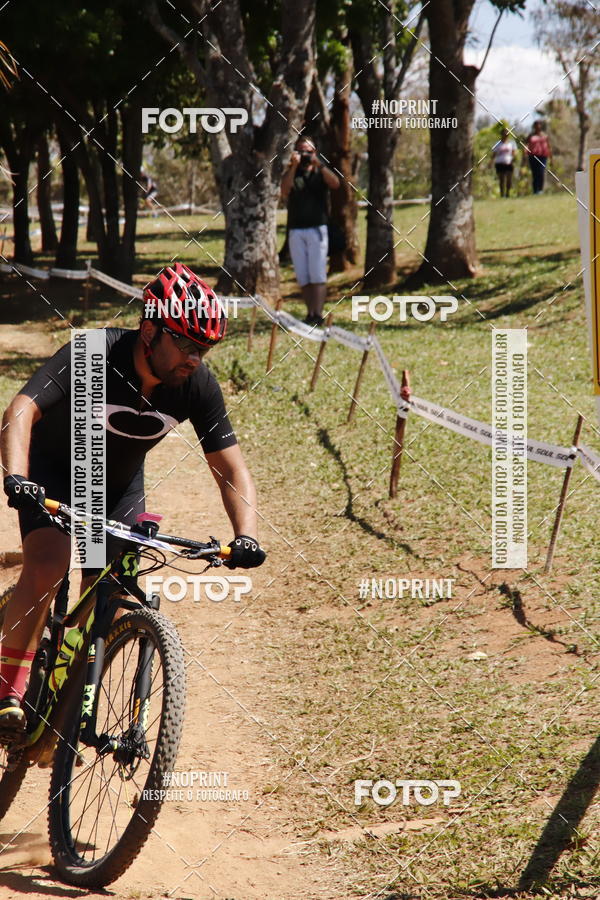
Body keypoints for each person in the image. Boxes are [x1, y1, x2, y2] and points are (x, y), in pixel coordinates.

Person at [0, 263, 266, 735]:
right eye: (186, 344)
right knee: (48, 564)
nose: (195, 358)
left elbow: (230, 467)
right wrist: (19, 480)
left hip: (117, 488)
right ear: (150, 330)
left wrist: (244, 535)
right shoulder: (93, 353)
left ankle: (65, 712)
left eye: (204, 348)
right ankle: (8, 690)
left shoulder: (195, 384)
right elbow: (20, 410)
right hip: (53, 474)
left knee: (115, 600)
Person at [281, 137, 340, 326]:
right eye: (301, 151)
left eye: (308, 151)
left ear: (315, 152)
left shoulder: (319, 172)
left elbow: (336, 183)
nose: (305, 154)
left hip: (318, 229)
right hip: (296, 230)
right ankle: (309, 313)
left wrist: (319, 165)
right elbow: (284, 191)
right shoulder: (292, 172)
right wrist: (292, 166)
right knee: (303, 275)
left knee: (318, 274)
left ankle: (318, 313)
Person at [524, 121, 552, 195]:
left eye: (539, 125)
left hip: (543, 156)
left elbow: (549, 147)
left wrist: (551, 159)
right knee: (535, 173)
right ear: (534, 126)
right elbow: (526, 144)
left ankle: (540, 190)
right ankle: (535, 191)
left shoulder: (545, 136)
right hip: (533, 156)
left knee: (541, 172)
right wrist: (525, 152)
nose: (538, 126)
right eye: (536, 125)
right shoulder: (531, 135)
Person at [491, 128, 517, 198]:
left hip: (509, 163)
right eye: (503, 134)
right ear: (501, 135)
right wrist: (491, 162)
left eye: (506, 134)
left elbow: (514, 153)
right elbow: (494, 154)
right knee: (501, 179)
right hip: (500, 163)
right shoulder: (497, 144)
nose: (505, 135)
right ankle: (502, 195)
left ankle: (507, 194)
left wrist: (513, 160)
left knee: (509, 179)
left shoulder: (512, 143)